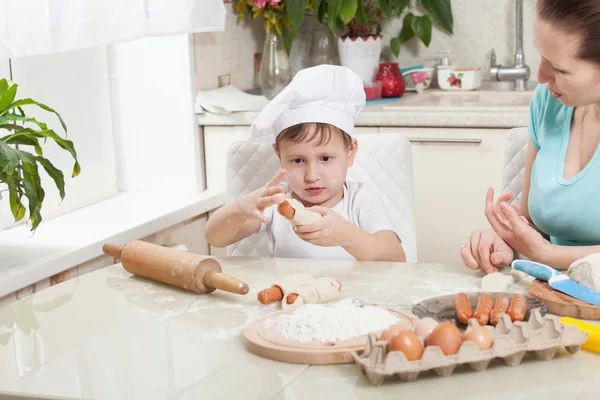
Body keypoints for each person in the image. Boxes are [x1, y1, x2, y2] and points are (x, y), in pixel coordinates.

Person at [204, 65, 405, 261]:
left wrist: (347, 236)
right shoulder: (277, 203)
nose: (311, 176)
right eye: (298, 160)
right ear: (278, 154)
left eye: (325, 159)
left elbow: (396, 257)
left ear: (350, 152)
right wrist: (238, 209)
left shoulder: (360, 200)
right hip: (290, 293)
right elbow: (215, 238)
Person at [461, 0, 600, 273]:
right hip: (555, 294)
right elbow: (532, 222)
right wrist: (504, 238)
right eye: (542, 55)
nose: (541, 76)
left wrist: (545, 254)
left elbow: (541, 249)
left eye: (559, 69)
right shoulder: (549, 102)